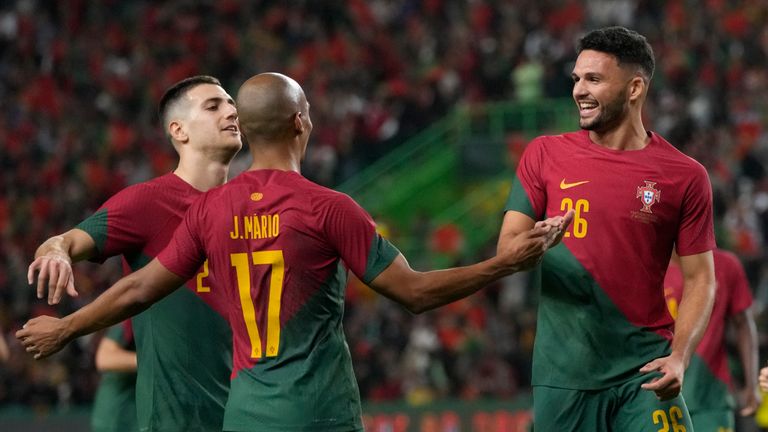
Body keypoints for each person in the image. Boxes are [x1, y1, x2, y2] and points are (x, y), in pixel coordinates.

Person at [17, 72, 573, 432]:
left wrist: (65, 329)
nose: (227, 110)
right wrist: (505, 263)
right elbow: (417, 293)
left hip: (244, 415)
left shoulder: (208, 212)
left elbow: (139, 287)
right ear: (301, 123)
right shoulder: (328, 207)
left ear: (249, 128)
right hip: (316, 413)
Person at [499, 26, 716, 431]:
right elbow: (506, 252)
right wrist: (536, 243)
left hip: (645, 369)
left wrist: (680, 356)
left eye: (594, 79)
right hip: (565, 377)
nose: (579, 90)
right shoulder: (544, 155)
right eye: (577, 79)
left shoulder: (685, 176)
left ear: (634, 88)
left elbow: (701, 278)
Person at [25, 75, 242, 431]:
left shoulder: (246, 210)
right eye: (214, 105)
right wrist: (57, 253)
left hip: (246, 415)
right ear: (179, 131)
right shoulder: (149, 201)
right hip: (177, 422)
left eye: (232, 103)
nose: (232, 111)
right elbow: (64, 241)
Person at [664, 248, 760, 431]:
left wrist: (751, 384)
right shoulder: (649, 265)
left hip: (711, 399)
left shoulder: (726, 265)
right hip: (661, 400)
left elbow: (743, 325)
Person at [91, 320, 138, 432]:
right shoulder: (136, 314)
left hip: (137, 412)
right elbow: (104, 357)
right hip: (118, 416)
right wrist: (151, 361)